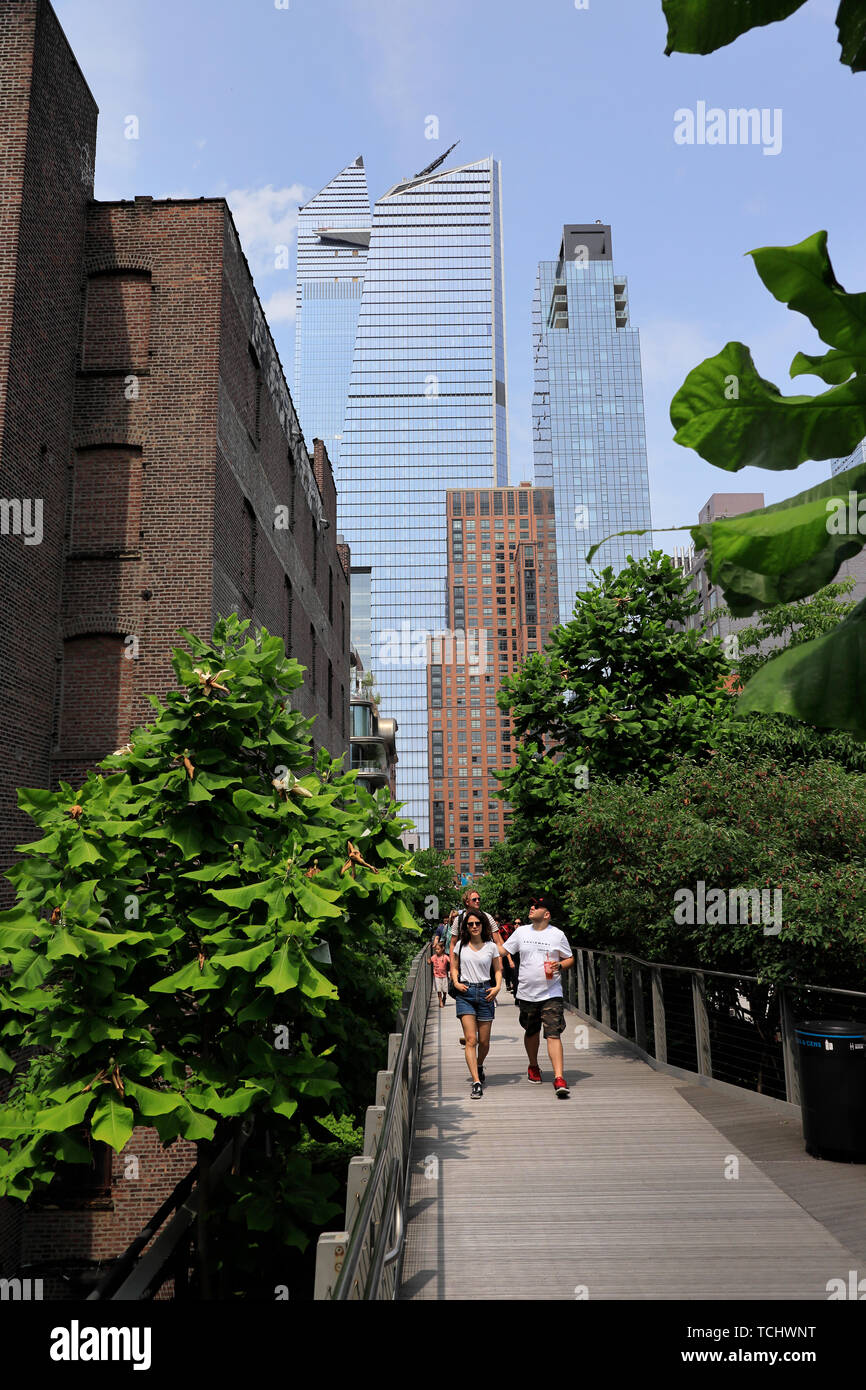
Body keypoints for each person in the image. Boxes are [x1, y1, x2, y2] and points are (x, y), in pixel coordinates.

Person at [505, 893, 574, 1099]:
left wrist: (560, 965)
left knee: (553, 1033)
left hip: (551, 992)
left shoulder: (558, 935)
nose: (532, 908)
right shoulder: (521, 932)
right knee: (531, 1030)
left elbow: (569, 958)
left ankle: (559, 1077)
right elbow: (503, 949)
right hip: (526, 992)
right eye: (532, 905)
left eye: (537, 906)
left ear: (547, 914)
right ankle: (533, 1066)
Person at [451, 909, 502, 1099]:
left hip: (486, 992)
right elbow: (454, 967)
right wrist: (456, 982)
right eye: (470, 924)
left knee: (484, 1042)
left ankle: (479, 1064)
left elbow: (497, 969)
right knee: (471, 1040)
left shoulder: (491, 946)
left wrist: (497, 987)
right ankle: (476, 1082)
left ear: (482, 926)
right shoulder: (461, 946)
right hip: (465, 993)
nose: (474, 927)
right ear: (466, 927)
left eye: (477, 924)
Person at [428, 937, 449, 1008]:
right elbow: (429, 962)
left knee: (445, 990)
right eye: (436, 949)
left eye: (438, 949)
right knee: (439, 990)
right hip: (437, 976)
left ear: (442, 949)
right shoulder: (434, 957)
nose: (436, 951)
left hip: (444, 975)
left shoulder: (445, 957)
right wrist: (428, 960)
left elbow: (451, 962)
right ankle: (440, 1001)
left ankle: (445, 997)